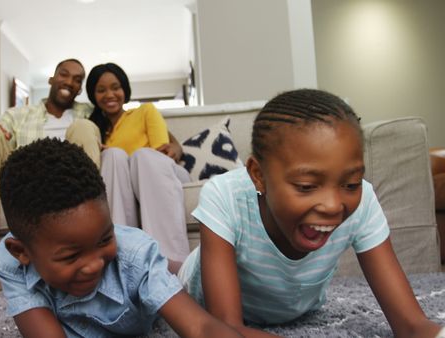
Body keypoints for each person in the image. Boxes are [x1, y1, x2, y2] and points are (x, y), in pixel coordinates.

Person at [178, 89, 444, 337]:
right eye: (306, 186)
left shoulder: (363, 202)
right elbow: (226, 327)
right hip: (195, 286)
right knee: (170, 272)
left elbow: (412, 324)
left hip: (293, 308)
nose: (332, 205)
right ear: (258, 176)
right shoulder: (225, 196)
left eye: (350, 184)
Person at [0, 138, 244, 338]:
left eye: (103, 239)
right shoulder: (9, 263)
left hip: (144, 269)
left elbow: (201, 328)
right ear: (21, 252)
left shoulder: (135, 256)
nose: (94, 264)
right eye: (71, 256)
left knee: (184, 273)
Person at [0, 58, 102, 300]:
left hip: (72, 179)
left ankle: (86, 258)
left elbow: (126, 122)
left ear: (81, 89)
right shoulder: (19, 114)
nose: (69, 81)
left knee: (84, 127)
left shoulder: (90, 114)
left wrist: (173, 144)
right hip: (25, 176)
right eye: (64, 74)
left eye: (77, 79)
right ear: (52, 78)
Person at [86, 63, 191, 270]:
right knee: (113, 155)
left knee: (142, 156)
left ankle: (170, 262)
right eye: (101, 90)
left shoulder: (145, 111)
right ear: (93, 96)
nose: (110, 94)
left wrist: (176, 147)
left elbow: (161, 153)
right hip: (127, 188)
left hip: (159, 174)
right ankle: (122, 259)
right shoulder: (96, 131)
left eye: (115, 87)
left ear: (124, 89)